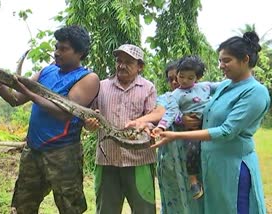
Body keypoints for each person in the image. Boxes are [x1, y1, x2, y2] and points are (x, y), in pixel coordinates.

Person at [0, 25, 100, 214]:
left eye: (63, 49)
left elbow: (64, 112)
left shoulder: (88, 78)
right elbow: (15, 99)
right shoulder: (46, 72)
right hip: (33, 150)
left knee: (70, 208)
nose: (56, 53)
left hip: (63, 153)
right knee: (22, 206)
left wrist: (27, 90)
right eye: (56, 47)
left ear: (80, 52)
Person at [153, 31, 270, 214]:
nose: (221, 65)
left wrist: (176, 135)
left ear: (245, 59)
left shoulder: (255, 92)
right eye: (220, 61)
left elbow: (226, 131)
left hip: (233, 169)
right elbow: (186, 95)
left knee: (235, 208)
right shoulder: (224, 86)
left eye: (226, 60)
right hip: (210, 166)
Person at [85, 44, 157, 214]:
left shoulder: (148, 88)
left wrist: (146, 126)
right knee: (106, 210)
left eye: (129, 62)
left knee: (144, 209)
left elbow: (153, 118)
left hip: (139, 161)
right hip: (107, 159)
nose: (121, 65)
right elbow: (89, 119)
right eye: (119, 61)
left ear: (140, 66)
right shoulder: (101, 86)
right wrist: (89, 124)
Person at [126, 61, 203, 214]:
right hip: (170, 160)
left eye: (177, 77)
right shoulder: (165, 98)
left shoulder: (201, 96)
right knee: (173, 201)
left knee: (197, 201)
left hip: (194, 159)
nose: (175, 82)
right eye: (170, 79)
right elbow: (160, 115)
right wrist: (145, 124)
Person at [152, 56, 219, 200]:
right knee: (192, 150)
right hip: (184, 141)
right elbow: (169, 112)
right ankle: (193, 180)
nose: (181, 81)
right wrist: (162, 127)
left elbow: (224, 87)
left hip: (208, 129)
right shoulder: (172, 96)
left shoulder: (205, 87)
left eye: (189, 78)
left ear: (197, 77)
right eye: (178, 77)